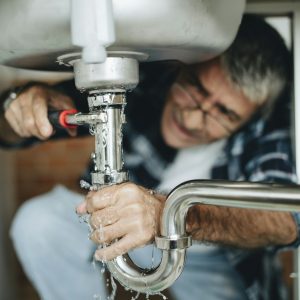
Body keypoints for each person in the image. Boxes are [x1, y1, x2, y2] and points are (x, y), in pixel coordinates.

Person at [0, 14, 299, 300]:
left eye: (225, 113)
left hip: (215, 255)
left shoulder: (272, 120)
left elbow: (286, 221)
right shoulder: (149, 79)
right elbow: (10, 133)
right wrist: (21, 104)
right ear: (183, 69)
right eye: (194, 88)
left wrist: (170, 216)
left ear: (251, 117)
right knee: (39, 224)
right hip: (128, 226)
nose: (193, 120)